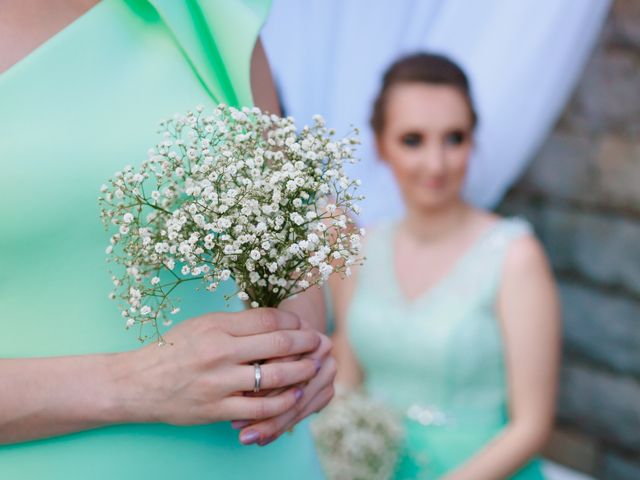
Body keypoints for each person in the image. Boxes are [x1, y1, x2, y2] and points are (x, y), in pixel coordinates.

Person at [0, 0, 335, 478]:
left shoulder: (211, 16)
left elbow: (291, 259)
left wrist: (297, 363)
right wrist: (131, 382)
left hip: (262, 461)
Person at [329, 53, 560, 479]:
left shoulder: (514, 256)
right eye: (413, 140)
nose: (436, 164)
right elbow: (349, 380)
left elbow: (532, 425)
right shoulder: (363, 250)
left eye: (454, 138)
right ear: (381, 145)